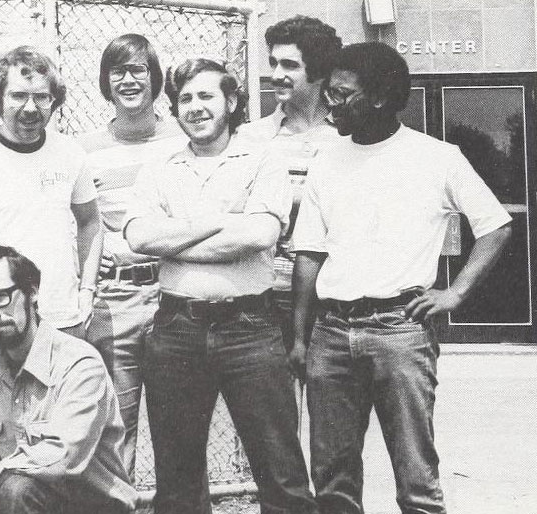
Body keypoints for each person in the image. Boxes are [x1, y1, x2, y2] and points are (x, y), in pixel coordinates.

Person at [291, 42, 512, 514]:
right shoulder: (325, 160)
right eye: (328, 92)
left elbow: (496, 226)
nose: (329, 103)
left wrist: (455, 292)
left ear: (379, 97)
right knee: (331, 481)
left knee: (416, 481)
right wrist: (299, 337)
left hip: (400, 331)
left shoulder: (437, 157)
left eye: (341, 94)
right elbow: (308, 254)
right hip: (330, 333)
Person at [123, 58, 316, 514]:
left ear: (231, 101)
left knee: (281, 472)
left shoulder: (262, 158)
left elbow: (260, 234)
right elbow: (138, 237)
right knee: (177, 480)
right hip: (175, 328)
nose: (195, 107)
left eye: (206, 95)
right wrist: (217, 223)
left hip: (250, 327)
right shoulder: (159, 163)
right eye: (185, 98)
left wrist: (175, 239)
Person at [0, 46, 103, 378]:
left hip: (61, 321)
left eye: (41, 97)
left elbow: (91, 223)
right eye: (18, 96)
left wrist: (86, 292)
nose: (30, 108)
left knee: (64, 425)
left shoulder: (70, 153)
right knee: (1, 428)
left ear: (54, 100)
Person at [0, 245, 136, 514]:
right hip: (25, 505)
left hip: (93, 506)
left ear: (32, 292)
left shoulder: (79, 362)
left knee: (14, 489)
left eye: (0, 297)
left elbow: (63, 456)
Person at [75, 34, 185, 479]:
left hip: (175, 296)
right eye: (117, 71)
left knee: (181, 424)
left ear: (154, 78)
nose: (128, 79)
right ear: (105, 81)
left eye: (138, 69)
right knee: (117, 425)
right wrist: (84, 255)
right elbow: (72, 218)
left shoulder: (183, 140)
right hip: (115, 298)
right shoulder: (83, 150)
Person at [235, 15, 342, 351]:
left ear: (319, 71)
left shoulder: (346, 138)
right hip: (265, 296)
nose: (276, 74)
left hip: (331, 298)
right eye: (273, 63)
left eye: (289, 65)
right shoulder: (250, 138)